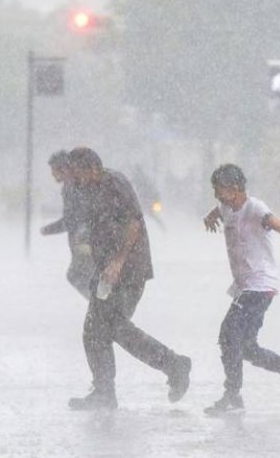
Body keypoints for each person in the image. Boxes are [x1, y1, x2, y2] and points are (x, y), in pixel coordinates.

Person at [66, 147, 191, 410]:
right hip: (105, 272)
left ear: (92, 167)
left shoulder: (114, 182)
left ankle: (173, 365)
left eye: (79, 173)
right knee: (94, 331)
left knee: (113, 327)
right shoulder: (87, 189)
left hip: (129, 270)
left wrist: (118, 261)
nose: (76, 179)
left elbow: (134, 222)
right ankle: (105, 391)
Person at [202, 164, 280, 415]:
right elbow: (218, 209)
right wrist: (211, 215)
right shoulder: (226, 206)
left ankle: (233, 397)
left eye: (219, 189)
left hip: (259, 286)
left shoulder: (255, 208)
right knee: (246, 347)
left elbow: (278, 223)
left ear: (235, 189)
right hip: (246, 287)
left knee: (228, 335)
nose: (215, 194)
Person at [40, 150, 96, 299]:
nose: (52, 175)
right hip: (84, 241)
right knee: (86, 278)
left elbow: (74, 219)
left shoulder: (73, 187)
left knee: (77, 276)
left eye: (54, 171)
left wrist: (50, 229)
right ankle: (104, 310)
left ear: (63, 169)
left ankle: (104, 310)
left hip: (85, 241)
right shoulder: (74, 186)